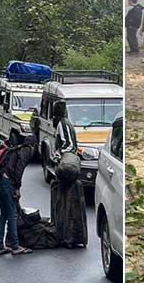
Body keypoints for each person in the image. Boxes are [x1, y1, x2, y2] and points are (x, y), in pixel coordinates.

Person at [49, 102, 87, 248]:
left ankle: (67, 237)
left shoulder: (62, 124)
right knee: (70, 205)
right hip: (70, 168)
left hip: (67, 170)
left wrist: (58, 156)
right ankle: (69, 236)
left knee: (66, 205)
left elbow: (68, 145)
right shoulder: (67, 123)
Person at [0, 137, 35, 256]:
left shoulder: (16, 149)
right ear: (33, 145)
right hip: (7, 183)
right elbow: (19, 169)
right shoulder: (27, 150)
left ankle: (0, 246)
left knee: (4, 213)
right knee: (12, 214)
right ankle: (15, 246)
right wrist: (17, 188)